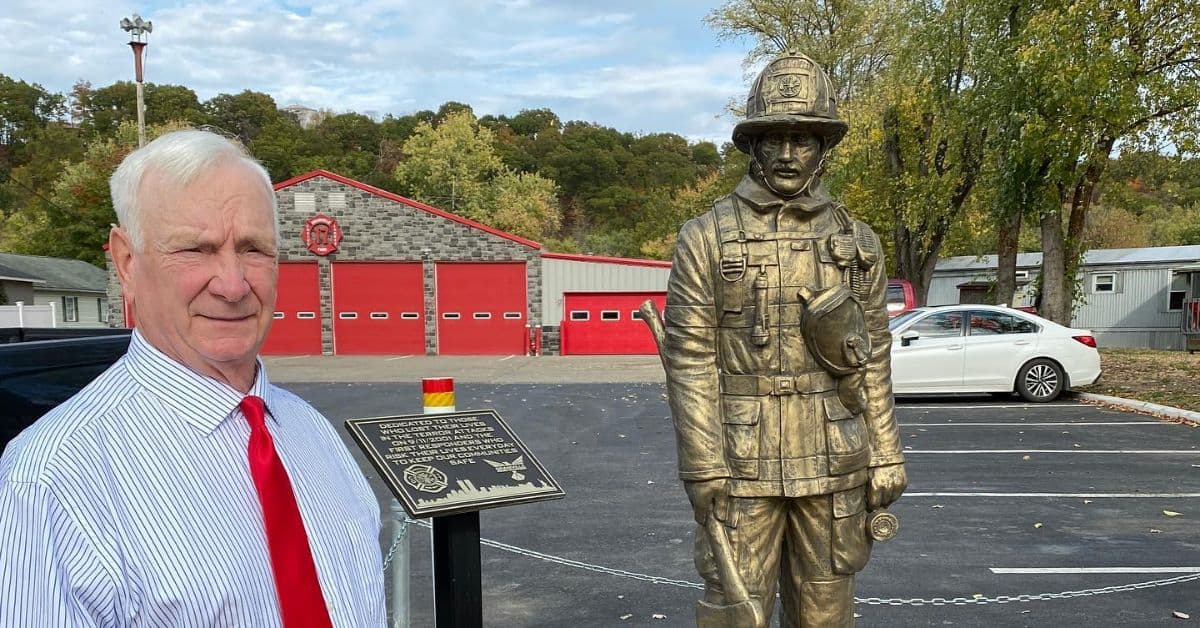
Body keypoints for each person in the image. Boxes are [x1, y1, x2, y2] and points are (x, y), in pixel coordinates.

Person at [0, 130, 385, 626]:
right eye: (195, 250)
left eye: (253, 249)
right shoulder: (53, 478)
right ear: (127, 261)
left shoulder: (312, 432)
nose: (232, 285)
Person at [661, 51, 907, 627]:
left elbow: (871, 355)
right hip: (740, 459)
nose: (790, 153)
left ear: (825, 148)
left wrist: (887, 452)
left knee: (826, 610)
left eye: (805, 138)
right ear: (753, 144)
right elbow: (690, 359)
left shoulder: (857, 240)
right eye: (775, 138)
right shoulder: (705, 236)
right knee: (734, 607)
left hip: (834, 453)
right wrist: (703, 466)